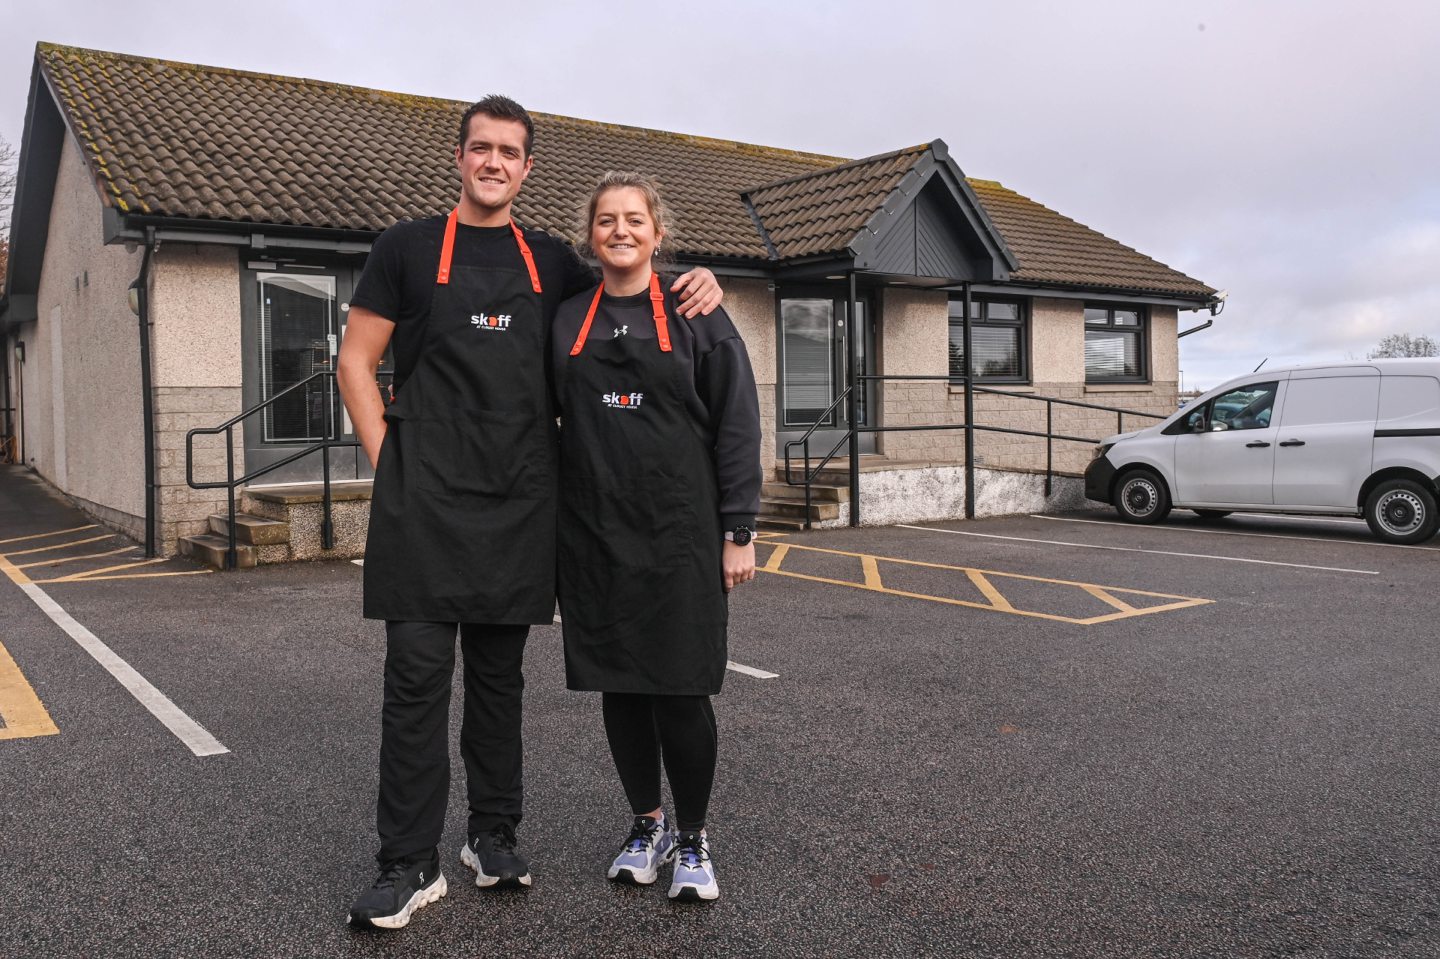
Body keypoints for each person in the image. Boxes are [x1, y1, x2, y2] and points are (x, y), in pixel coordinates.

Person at [337, 98, 723, 930]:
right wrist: (391, 466)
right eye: (482, 148)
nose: (494, 162)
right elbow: (355, 361)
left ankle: (493, 834)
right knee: (413, 679)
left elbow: (631, 282)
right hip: (424, 506)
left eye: (510, 152)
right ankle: (407, 862)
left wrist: (702, 283)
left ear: (526, 167)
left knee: (499, 680)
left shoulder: (552, 259)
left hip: (518, 503)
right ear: (460, 157)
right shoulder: (404, 248)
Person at [551, 172, 761, 902]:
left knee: (680, 690)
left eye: (634, 220)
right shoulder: (567, 316)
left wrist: (740, 529)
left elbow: (737, 422)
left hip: (682, 534)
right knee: (621, 686)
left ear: (657, 233)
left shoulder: (699, 312)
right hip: (595, 531)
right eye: (606, 219)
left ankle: (695, 837)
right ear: (591, 234)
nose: (620, 230)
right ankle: (647, 825)